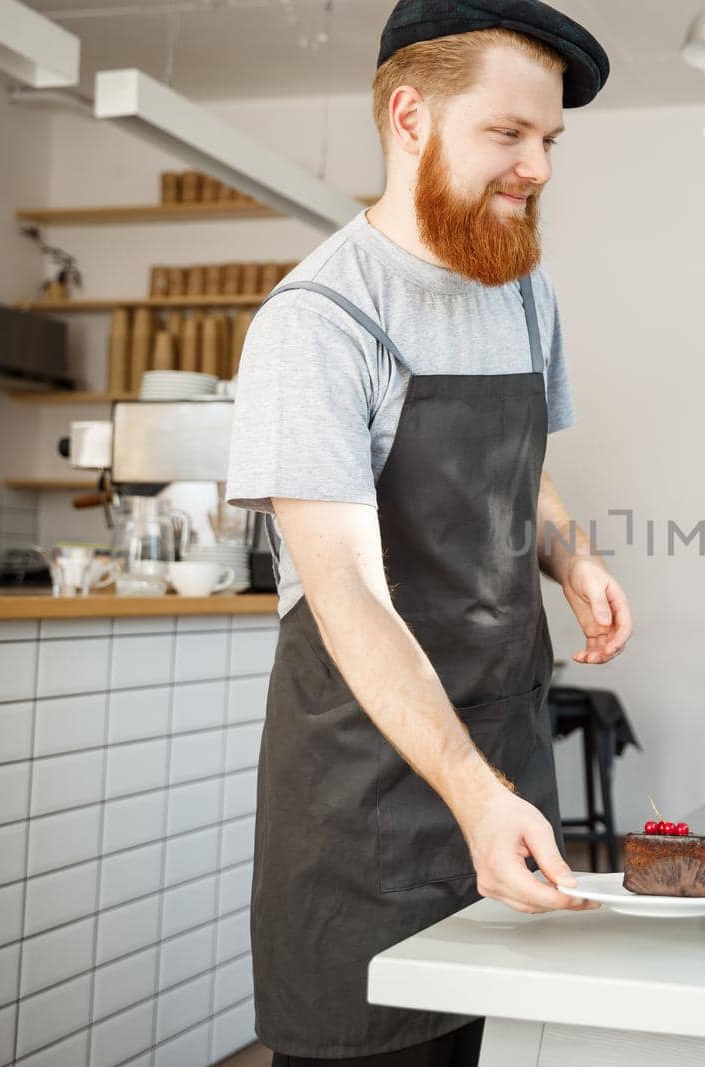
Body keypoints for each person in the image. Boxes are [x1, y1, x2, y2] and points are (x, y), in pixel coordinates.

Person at [224, 2, 628, 1063]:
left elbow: (526, 474)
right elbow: (346, 589)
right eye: (509, 134)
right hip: (365, 808)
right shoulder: (318, 324)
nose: (537, 165)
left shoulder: (522, 289)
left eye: (548, 140)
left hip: (505, 766)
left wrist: (570, 554)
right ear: (410, 116)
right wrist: (470, 796)